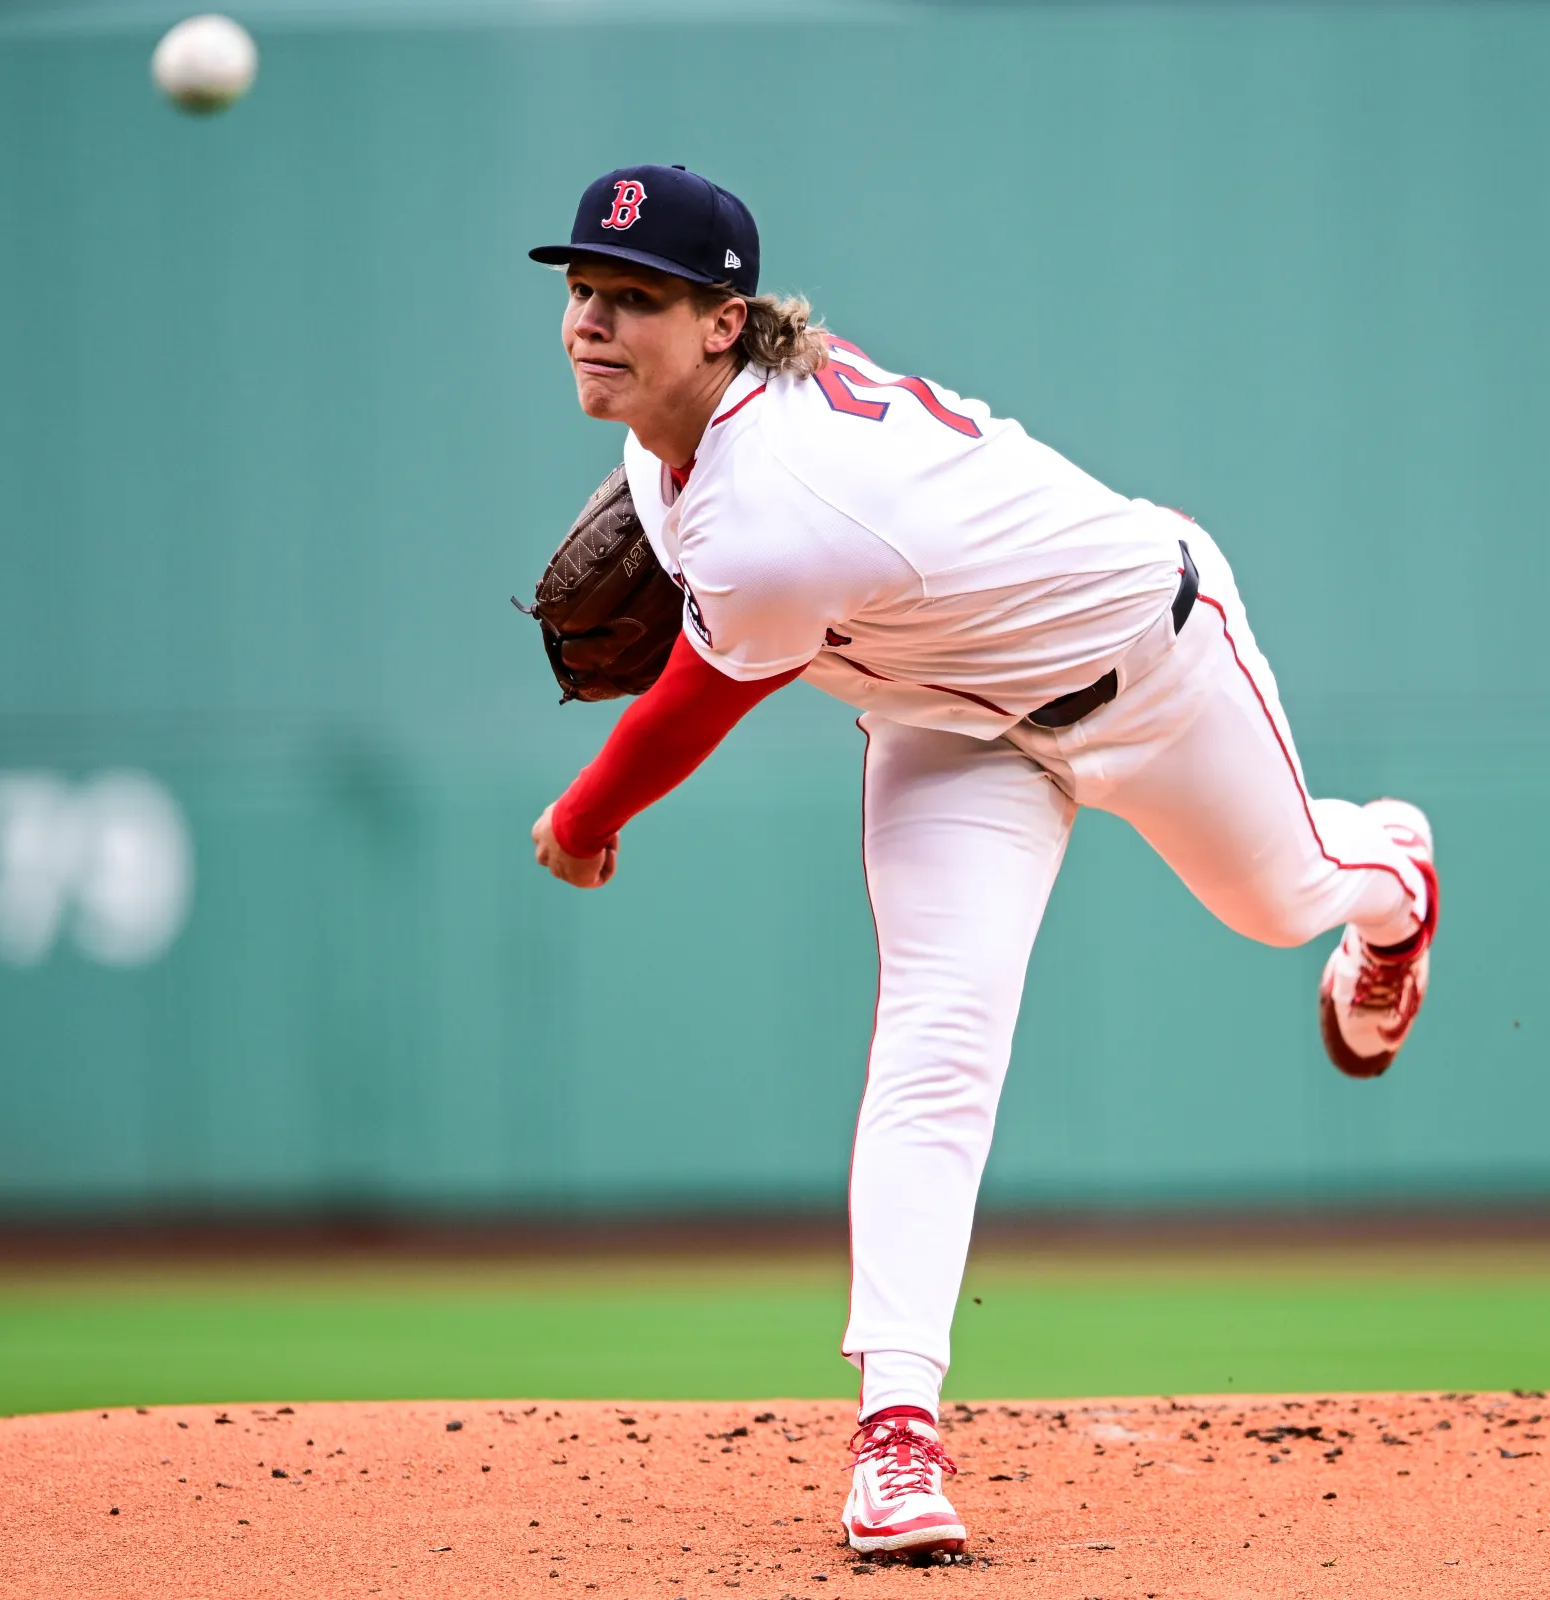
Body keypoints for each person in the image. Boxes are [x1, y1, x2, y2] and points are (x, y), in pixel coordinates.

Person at [525, 165, 1438, 1559]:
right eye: (581, 289)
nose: (592, 319)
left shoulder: (778, 504)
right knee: (935, 1047)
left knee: (1288, 897)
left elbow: (689, 712)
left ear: (726, 323)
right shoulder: (673, 451)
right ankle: (897, 1434)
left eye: (633, 297)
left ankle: (1397, 888)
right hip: (954, 730)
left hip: (1152, 668)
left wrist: (583, 821)